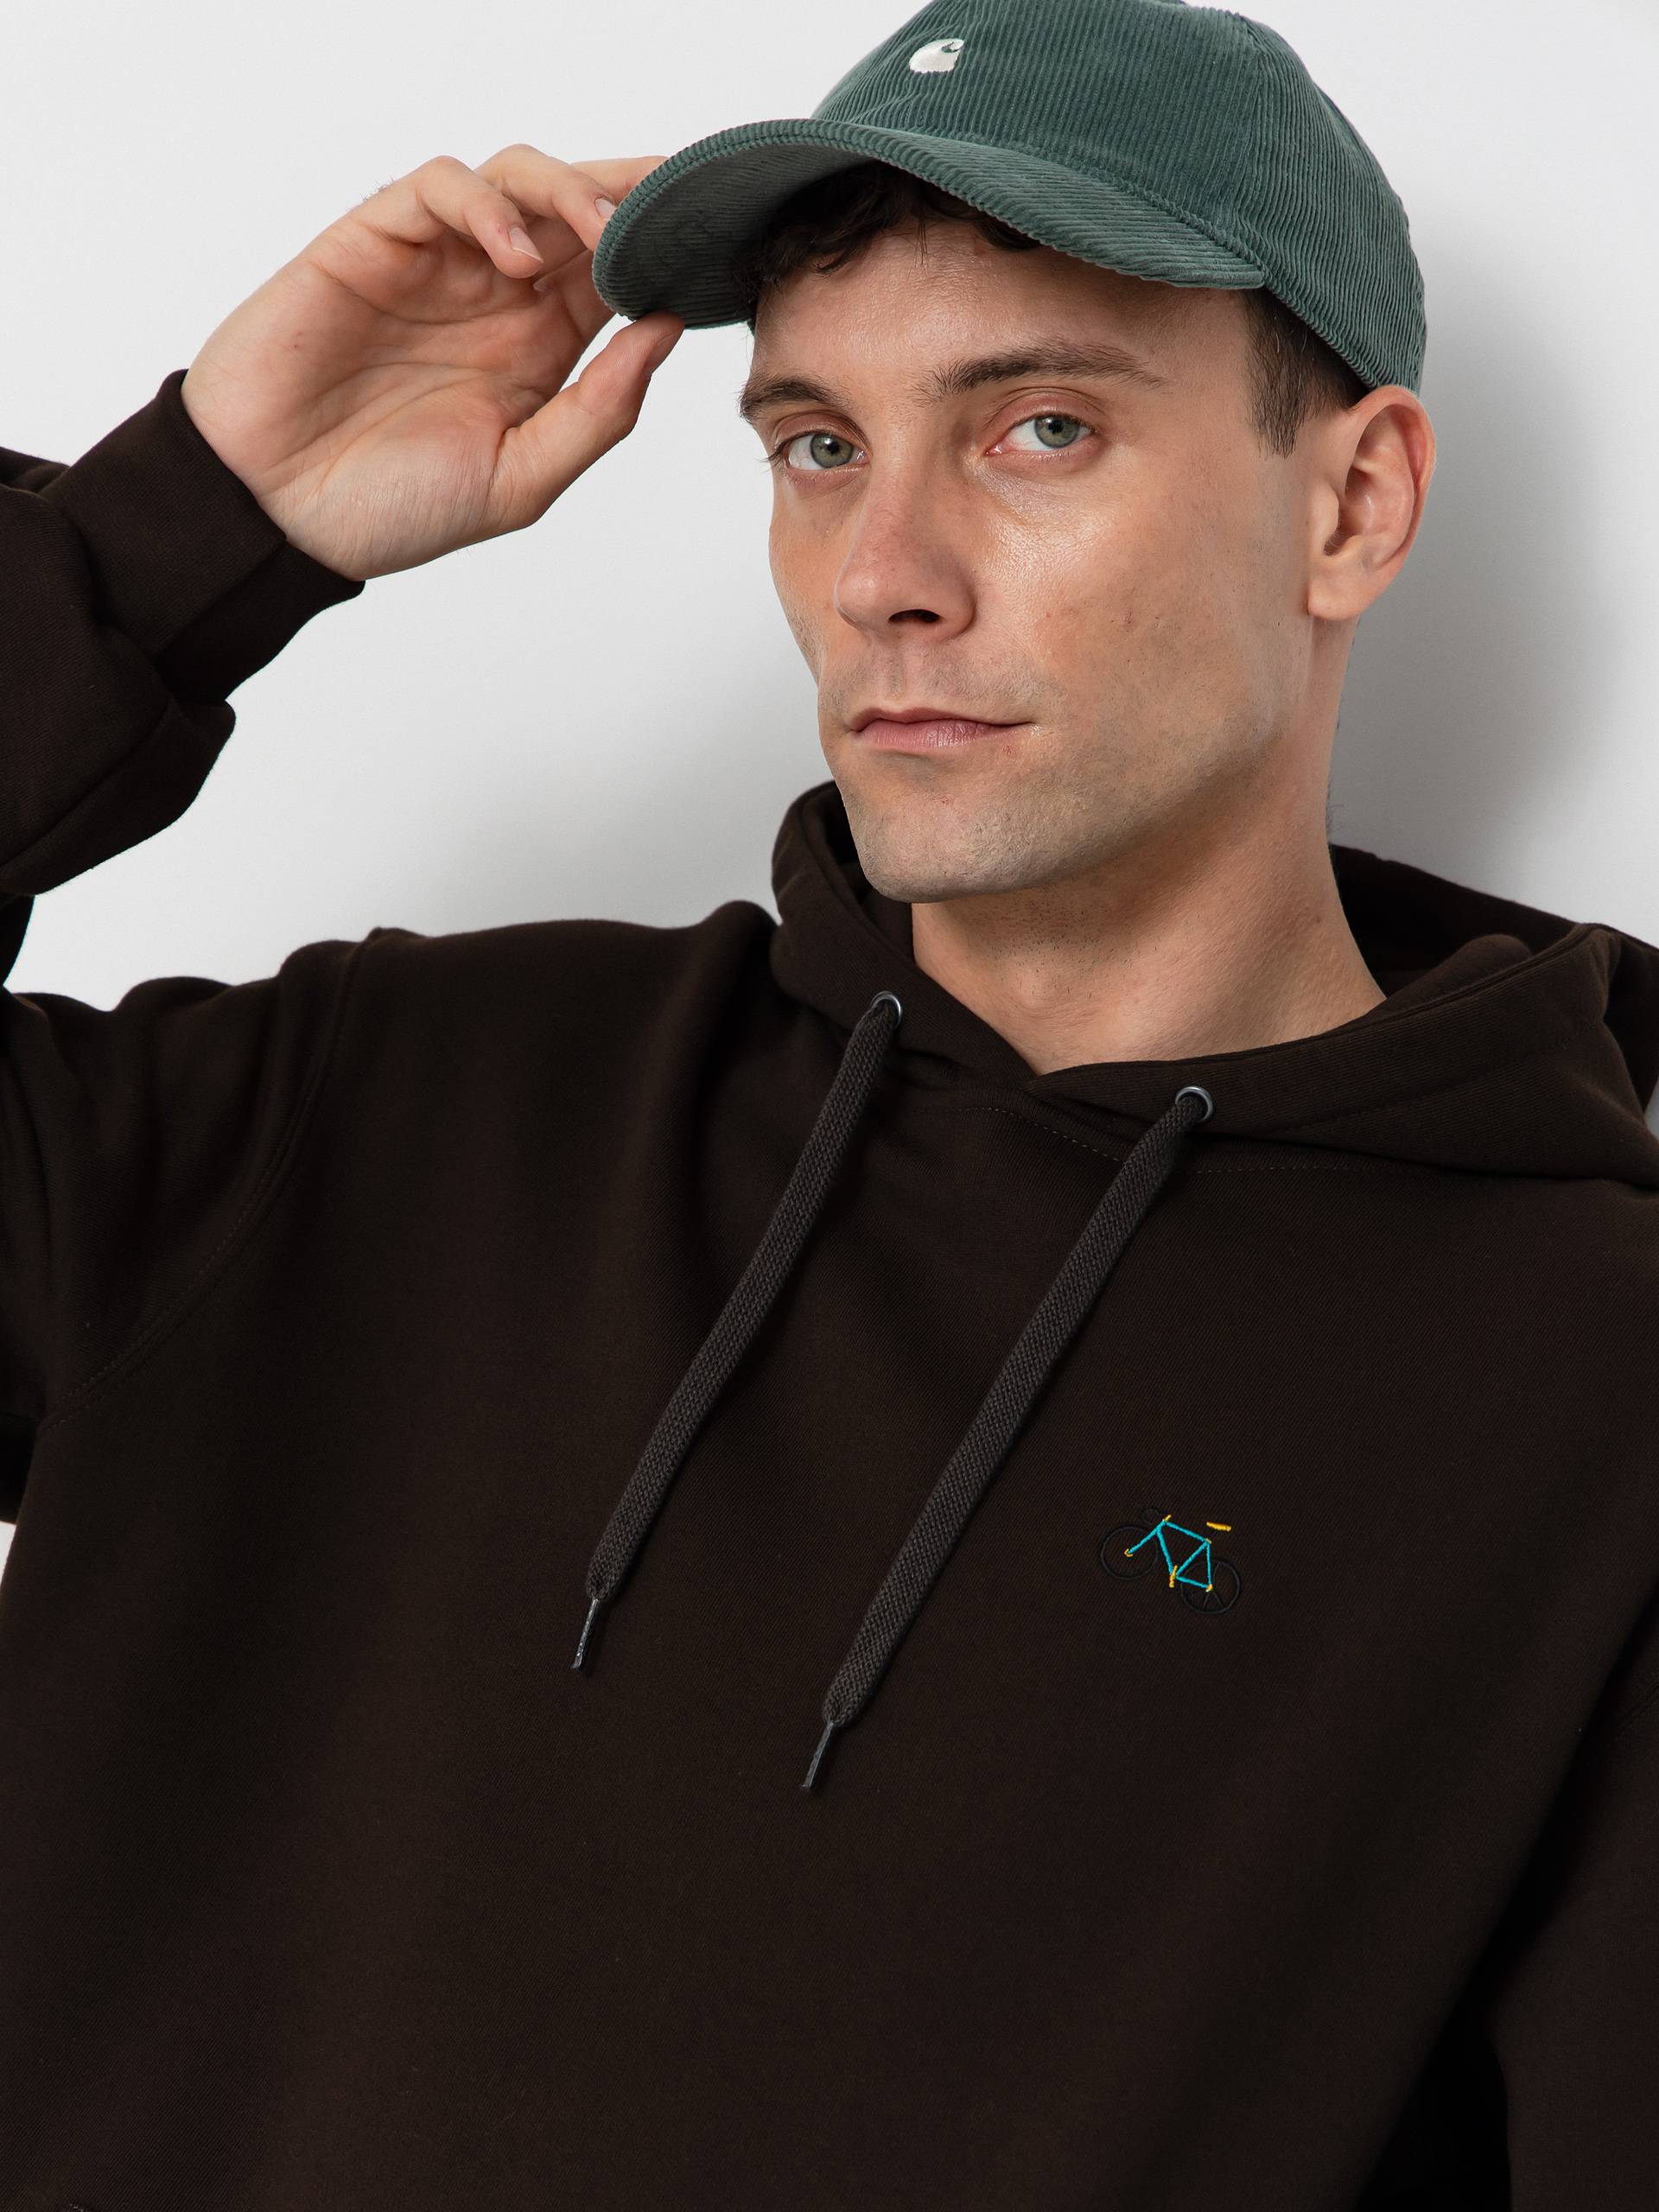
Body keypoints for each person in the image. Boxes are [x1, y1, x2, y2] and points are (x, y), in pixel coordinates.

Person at [1, 0, 1656, 2202]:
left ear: (1352, 502)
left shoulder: (1589, 1391)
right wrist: (180, 529)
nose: (886, 571)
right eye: (816, 443)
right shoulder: (383, 1102)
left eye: (1040, 428)